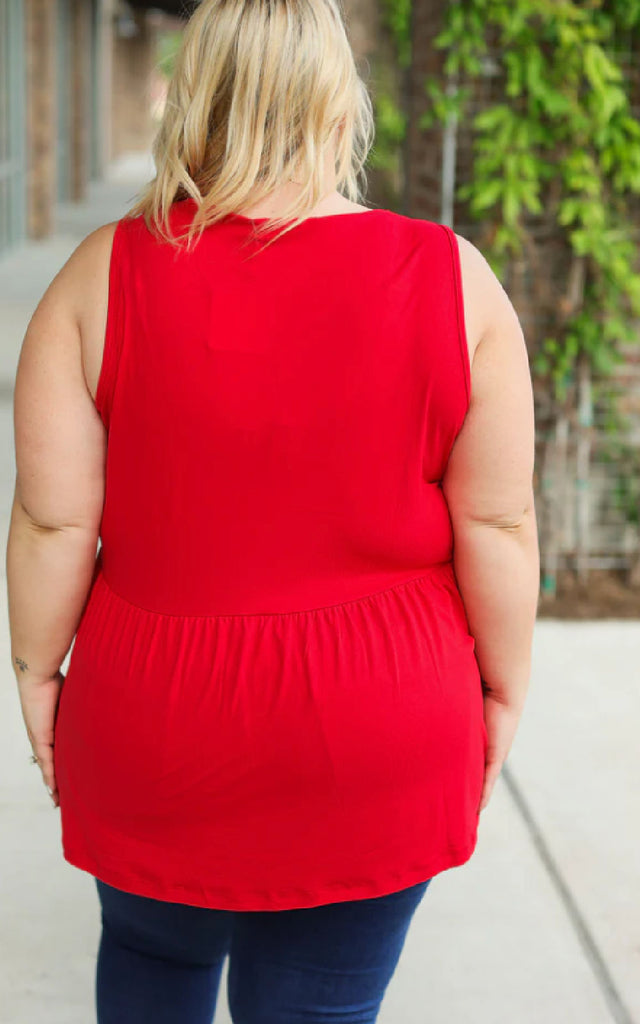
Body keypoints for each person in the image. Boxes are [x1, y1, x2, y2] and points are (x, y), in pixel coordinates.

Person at [6, 0, 540, 1021]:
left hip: (155, 722)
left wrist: (37, 678)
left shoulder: (96, 281)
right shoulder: (455, 280)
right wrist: (503, 689)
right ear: (341, 104)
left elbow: (52, 523)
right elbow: (498, 523)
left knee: (152, 965)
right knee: (319, 1007)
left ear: (192, 99)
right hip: (382, 719)